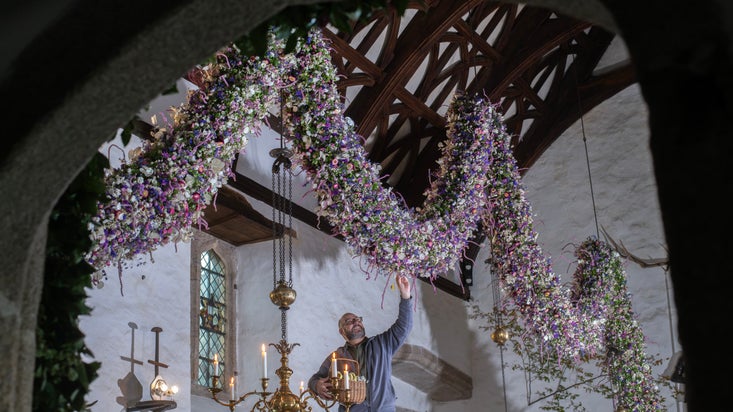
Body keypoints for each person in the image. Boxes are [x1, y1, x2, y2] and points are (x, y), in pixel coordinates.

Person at [308, 274, 413, 412]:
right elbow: (315, 379)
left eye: (358, 319)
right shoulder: (336, 356)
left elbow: (403, 326)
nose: (356, 322)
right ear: (342, 331)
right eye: (349, 321)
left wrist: (405, 297)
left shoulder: (382, 344)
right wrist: (316, 386)